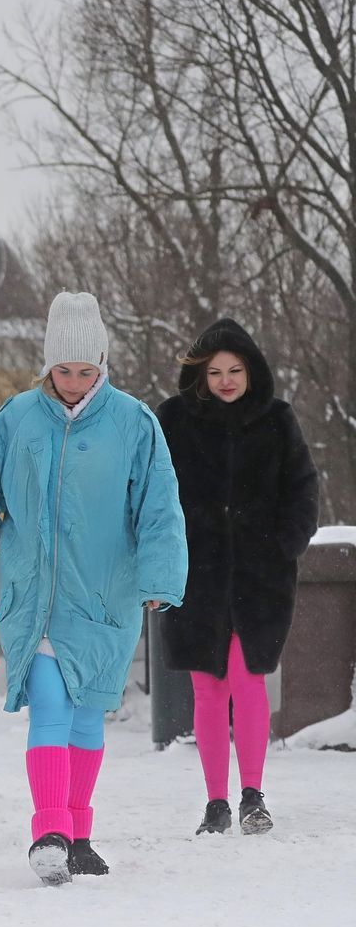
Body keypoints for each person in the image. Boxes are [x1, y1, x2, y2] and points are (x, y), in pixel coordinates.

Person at [0, 291, 187, 886]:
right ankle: (49, 830)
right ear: (48, 365)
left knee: (87, 716)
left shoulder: (134, 423)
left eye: (85, 371)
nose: (73, 383)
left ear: (103, 366)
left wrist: (161, 578)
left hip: (103, 597)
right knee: (50, 705)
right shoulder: (17, 419)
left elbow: (159, 507)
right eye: (63, 371)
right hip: (36, 597)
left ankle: (78, 833)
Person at [156, 319, 317, 836]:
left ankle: (252, 795)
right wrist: (159, 561)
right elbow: (150, 494)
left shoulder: (278, 419)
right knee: (208, 688)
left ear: (252, 372)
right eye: (215, 372)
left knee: (248, 680)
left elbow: (303, 489)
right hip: (195, 576)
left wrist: (282, 546)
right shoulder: (173, 420)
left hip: (260, 577)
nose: (226, 380)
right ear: (200, 375)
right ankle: (215, 803)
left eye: (235, 370)